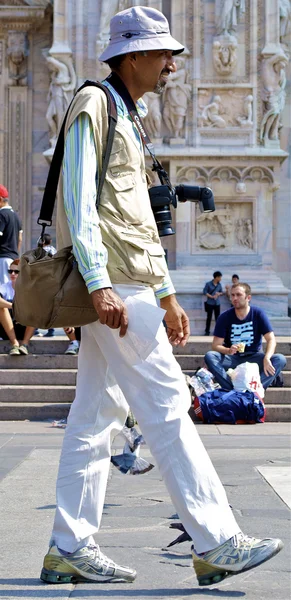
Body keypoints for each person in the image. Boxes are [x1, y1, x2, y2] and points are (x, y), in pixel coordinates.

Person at [40, 6, 283, 589]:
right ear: (130, 56)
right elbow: (78, 200)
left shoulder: (132, 115)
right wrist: (97, 285)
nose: (173, 62)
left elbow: (139, 215)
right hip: (117, 284)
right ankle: (216, 540)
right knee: (170, 404)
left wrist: (170, 293)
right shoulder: (94, 105)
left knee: (94, 416)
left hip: (134, 282)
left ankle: (69, 546)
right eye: (161, 52)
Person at [204, 282, 286, 391]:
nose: (235, 298)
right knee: (210, 356)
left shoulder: (258, 314)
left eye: (238, 295)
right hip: (233, 359)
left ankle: (255, 389)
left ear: (248, 297)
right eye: (232, 295)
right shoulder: (224, 317)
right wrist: (228, 350)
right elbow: (216, 345)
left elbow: (271, 339)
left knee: (280, 359)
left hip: (254, 358)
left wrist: (266, 358)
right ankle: (232, 389)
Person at [0, 259, 34, 355]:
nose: (13, 274)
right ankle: (14, 343)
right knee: (2, 308)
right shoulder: (5, 287)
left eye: (16, 271)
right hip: (7, 329)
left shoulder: (30, 288)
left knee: (36, 308)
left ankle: (25, 344)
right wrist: (14, 306)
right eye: (10, 271)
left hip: (24, 328)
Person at [0, 184, 23, 285]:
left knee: (3, 290)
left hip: (3, 258)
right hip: (12, 259)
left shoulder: (2, 215)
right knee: (11, 289)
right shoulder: (16, 216)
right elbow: (20, 239)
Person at [37, 234, 57, 337]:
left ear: (42, 241)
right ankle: (50, 329)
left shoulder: (41, 252)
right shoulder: (54, 250)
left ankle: (34, 328)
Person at [203, 271, 224, 336]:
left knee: (217, 318)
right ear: (216, 277)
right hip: (210, 303)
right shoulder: (208, 284)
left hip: (217, 303)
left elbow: (222, 292)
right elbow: (204, 292)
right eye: (220, 277)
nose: (220, 279)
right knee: (209, 318)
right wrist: (211, 296)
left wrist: (219, 294)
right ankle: (207, 331)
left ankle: (217, 332)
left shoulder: (219, 285)